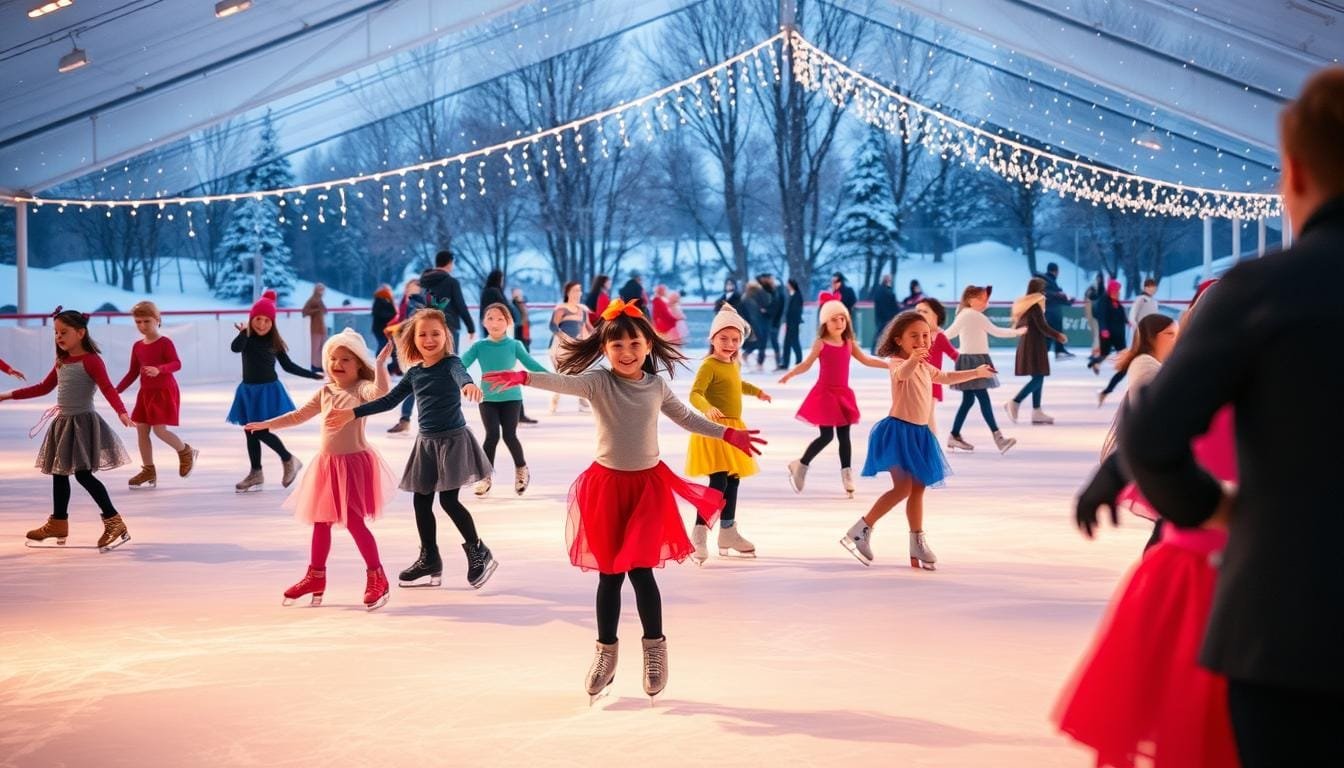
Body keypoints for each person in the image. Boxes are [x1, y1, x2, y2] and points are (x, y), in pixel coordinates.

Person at [1121, 67, 1344, 766]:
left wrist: (1220, 509)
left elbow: (1150, 435)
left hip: (1286, 629)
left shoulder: (1262, 293)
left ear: (1298, 172)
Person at [481, 298, 763, 703]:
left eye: (634, 345)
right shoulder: (599, 382)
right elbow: (566, 383)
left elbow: (685, 417)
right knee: (609, 576)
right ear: (604, 349)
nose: (626, 353)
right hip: (607, 488)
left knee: (643, 573)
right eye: (617, 346)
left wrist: (727, 434)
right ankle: (605, 653)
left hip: (647, 489)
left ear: (648, 345)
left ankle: (655, 650)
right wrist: (525, 378)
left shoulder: (655, 386)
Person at [329, 307, 497, 591]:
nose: (429, 339)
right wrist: (353, 413)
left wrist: (468, 386)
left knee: (448, 501)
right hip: (427, 443)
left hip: (452, 441)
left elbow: (461, 375)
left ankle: (478, 549)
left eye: (436, 334)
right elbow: (389, 401)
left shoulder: (451, 363)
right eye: (423, 334)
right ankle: (430, 557)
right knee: (421, 501)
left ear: (446, 336)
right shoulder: (415, 373)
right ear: (414, 339)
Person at [244, 329, 398, 611]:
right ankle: (315, 576)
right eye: (333, 359)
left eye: (346, 360)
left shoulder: (361, 388)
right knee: (321, 521)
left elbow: (381, 391)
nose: (337, 364)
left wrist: (380, 366)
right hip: (327, 465)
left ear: (359, 365)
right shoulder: (326, 391)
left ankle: (377, 576)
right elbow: (299, 415)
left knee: (353, 521)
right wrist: (266, 424)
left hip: (353, 465)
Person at [844, 311, 993, 568]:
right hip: (898, 433)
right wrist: (913, 358)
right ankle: (860, 531)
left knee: (919, 488)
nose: (922, 340)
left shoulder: (924, 365)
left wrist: (976, 373)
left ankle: (917, 543)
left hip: (920, 435)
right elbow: (902, 374)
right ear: (899, 339)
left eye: (925, 336)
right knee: (902, 488)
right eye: (914, 336)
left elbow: (946, 378)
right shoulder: (896, 362)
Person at [4, 308, 135, 551]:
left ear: (81, 332)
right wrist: (7, 395)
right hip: (63, 424)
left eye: (64, 332)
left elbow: (107, 388)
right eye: (56, 333)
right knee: (59, 472)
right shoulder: (62, 361)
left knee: (83, 475)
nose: (58, 337)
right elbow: (42, 388)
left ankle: (113, 520)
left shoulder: (92, 361)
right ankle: (58, 523)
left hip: (82, 424)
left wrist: (122, 411)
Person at [686, 306, 772, 563]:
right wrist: (707, 408)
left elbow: (737, 384)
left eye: (735, 340)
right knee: (719, 482)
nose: (730, 344)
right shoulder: (708, 365)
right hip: (714, 430)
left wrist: (757, 391)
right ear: (712, 339)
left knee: (733, 481)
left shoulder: (733, 363)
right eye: (724, 338)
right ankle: (699, 532)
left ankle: (727, 531)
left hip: (735, 429)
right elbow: (695, 394)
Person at [779, 300, 887, 498]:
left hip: (843, 394)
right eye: (834, 320)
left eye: (842, 319)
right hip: (825, 394)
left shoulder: (849, 343)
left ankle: (847, 475)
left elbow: (867, 360)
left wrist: (890, 366)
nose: (839, 323)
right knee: (827, 436)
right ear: (825, 324)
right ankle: (801, 465)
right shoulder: (821, 343)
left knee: (845, 437)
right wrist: (791, 374)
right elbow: (807, 364)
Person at [228, 290, 323, 493]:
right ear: (252, 319)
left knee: (258, 430)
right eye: (258, 319)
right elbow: (235, 349)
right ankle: (256, 472)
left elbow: (288, 366)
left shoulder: (274, 342)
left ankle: (288, 459)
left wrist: (313, 375)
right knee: (250, 432)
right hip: (248, 391)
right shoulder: (247, 338)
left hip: (267, 392)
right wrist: (243, 332)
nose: (262, 324)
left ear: (273, 322)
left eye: (267, 320)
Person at [460, 303, 548, 497]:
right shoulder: (479, 346)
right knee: (491, 436)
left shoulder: (515, 345)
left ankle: (521, 469)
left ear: (508, 322)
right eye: (490, 318)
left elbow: (530, 363)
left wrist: (552, 378)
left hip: (512, 398)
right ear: (484, 322)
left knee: (509, 435)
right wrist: (459, 379)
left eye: (500, 318)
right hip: (487, 398)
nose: (495, 322)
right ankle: (485, 477)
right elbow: (460, 365)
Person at [389, 250, 475, 434]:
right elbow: (460, 305)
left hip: (423, 330)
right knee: (448, 370)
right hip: (446, 329)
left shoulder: (423, 281)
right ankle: (448, 417)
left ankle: (405, 418)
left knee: (420, 371)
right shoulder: (451, 281)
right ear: (449, 263)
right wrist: (471, 326)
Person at [116, 300, 197, 489]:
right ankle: (148, 470)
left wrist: (160, 369)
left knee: (160, 431)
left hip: (164, 391)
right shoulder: (137, 346)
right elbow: (132, 373)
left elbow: (177, 364)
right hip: (145, 393)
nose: (142, 326)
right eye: (138, 322)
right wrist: (116, 390)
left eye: (146, 321)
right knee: (141, 430)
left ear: (157, 319)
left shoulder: (165, 343)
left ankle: (185, 451)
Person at [944, 285, 1022, 454]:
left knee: (969, 400)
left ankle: (954, 435)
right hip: (974, 362)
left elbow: (948, 334)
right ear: (972, 300)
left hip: (971, 359)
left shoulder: (966, 314)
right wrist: (1018, 332)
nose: (986, 302)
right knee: (982, 398)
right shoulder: (972, 315)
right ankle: (998, 438)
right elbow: (996, 331)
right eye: (983, 299)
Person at [1004, 277, 1068, 426]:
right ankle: (1015, 401)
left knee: (1039, 376)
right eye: (1042, 289)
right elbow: (1043, 326)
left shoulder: (1027, 305)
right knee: (1039, 376)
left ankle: (1037, 411)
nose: (1044, 293)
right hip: (1034, 346)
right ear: (1037, 290)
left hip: (1031, 344)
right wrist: (1059, 336)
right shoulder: (1034, 306)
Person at [912, 297, 957, 435]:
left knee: (928, 415)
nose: (919, 314)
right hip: (913, 381)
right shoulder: (913, 335)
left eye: (924, 311)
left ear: (936, 316)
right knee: (915, 417)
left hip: (932, 382)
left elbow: (955, 355)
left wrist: (973, 368)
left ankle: (931, 448)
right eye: (917, 310)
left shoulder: (939, 337)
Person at [548, 281, 594, 414]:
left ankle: (583, 403)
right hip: (560, 346)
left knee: (581, 373)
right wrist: (563, 337)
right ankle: (554, 401)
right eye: (574, 290)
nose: (577, 293)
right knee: (561, 375)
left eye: (579, 290)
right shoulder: (561, 309)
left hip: (576, 346)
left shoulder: (583, 310)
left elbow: (589, 327)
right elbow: (553, 326)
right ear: (567, 292)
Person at [1091, 279, 1130, 405]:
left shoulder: (1117, 303)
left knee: (1125, 365)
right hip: (1107, 334)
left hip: (1119, 337)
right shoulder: (1104, 302)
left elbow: (1121, 315)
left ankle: (1105, 391)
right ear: (1110, 290)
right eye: (1115, 290)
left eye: (1118, 290)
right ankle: (1094, 363)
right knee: (1105, 354)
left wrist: (1126, 320)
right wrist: (1103, 329)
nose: (1117, 292)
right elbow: (1101, 316)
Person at [1038, 263, 1074, 359]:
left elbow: (1055, 296)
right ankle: (1049, 352)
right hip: (1050, 312)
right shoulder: (1047, 281)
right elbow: (1048, 294)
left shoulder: (1049, 280)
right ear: (1056, 271)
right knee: (1051, 332)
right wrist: (1059, 296)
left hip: (1052, 311)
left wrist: (1067, 302)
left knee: (1054, 331)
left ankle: (1057, 350)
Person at [740, 281, 771, 372]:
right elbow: (752, 313)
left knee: (759, 343)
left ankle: (754, 359)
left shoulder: (749, 298)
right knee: (759, 343)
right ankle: (755, 360)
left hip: (754, 323)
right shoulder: (748, 299)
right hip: (754, 324)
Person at [301, 283, 328, 374]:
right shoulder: (312, 300)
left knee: (322, 347)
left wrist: (321, 310)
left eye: (322, 290)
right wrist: (316, 311)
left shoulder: (320, 300)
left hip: (321, 328)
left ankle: (320, 365)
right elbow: (305, 311)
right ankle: (314, 366)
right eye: (320, 289)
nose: (321, 292)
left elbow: (324, 311)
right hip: (315, 328)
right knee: (315, 348)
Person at [760, 273, 785, 368]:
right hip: (775, 320)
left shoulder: (778, 294)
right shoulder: (777, 293)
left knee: (774, 340)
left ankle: (778, 361)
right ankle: (778, 361)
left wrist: (766, 310)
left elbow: (775, 307)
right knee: (773, 340)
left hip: (775, 321)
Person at [780, 278, 804, 369]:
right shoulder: (792, 295)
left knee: (793, 342)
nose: (787, 286)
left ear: (791, 285)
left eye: (788, 284)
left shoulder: (797, 296)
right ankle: (788, 363)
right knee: (790, 343)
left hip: (794, 323)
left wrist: (793, 322)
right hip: (790, 323)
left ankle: (798, 361)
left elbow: (796, 311)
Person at [871, 274, 898, 354]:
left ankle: (877, 350)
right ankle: (875, 350)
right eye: (889, 279)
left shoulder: (884, 290)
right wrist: (889, 316)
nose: (890, 281)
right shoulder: (883, 291)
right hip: (885, 317)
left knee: (882, 333)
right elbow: (884, 304)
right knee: (881, 333)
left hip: (885, 316)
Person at [371, 285, 397, 354]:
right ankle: (379, 361)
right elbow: (384, 314)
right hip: (382, 329)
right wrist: (395, 314)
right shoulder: (382, 300)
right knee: (384, 346)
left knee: (383, 346)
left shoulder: (379, 300)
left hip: (380, 329)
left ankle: (380, 360)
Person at [511, 288, 532, 352]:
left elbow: (525, 317)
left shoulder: (521, 304)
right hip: (519, 327)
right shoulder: (513, 305)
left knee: (524, 347)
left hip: (523, 327)